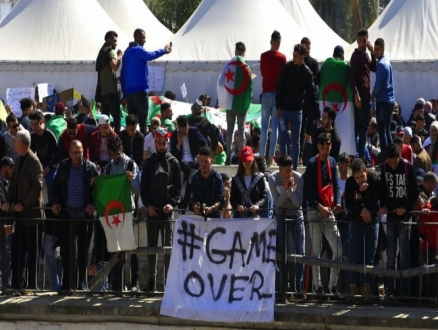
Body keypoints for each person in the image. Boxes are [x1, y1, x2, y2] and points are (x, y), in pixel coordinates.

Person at [51, 140, 98, 291]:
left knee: (83, 251)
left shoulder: (91, 168)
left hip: (84, 216)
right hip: (67, 215)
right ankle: (67, 282)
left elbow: (98, 189)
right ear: (70, 154)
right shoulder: (63, 166)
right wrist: (56, 202)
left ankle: (81, 282)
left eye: (80, 152)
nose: (78, 155)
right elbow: (55, 187)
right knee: (66, 251)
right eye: (75, 153)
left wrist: (93, 204)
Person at [1, 130, 44, 292]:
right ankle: (17, 284)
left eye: (16, 142)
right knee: (18, 251)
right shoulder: (18, 160)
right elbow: (13, 184)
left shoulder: (34, 161)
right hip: (19, 216)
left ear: (21, 144)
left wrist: (23, 204)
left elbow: (37, 186)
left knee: (32, 252)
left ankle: (31, 285)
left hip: (31, 215)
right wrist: (8, 201)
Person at [141, 127, 181, 292]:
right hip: (152, 212)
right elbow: (143, 188)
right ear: (155, 143)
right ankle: (151, 282)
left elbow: (178, 189)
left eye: (164, 142)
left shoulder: (174, 162)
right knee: (151, 249)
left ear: (168, 142)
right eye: (159, 142)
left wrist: (172, 204)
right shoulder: (149, 162)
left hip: (167, 213)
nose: (162, 145)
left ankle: (167, 283)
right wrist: (148, 205)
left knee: (167, 250)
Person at [303, 133, 343, 296]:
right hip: (314, 211)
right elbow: (307, 193)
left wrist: (338, 202)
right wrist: (319, 207)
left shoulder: (332, 162)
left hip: (329, 209)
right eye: (322, 148)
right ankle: (317, 286)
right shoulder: (311, 164)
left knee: (338, 249)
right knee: (317, 250)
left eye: (328, 147)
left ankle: (332, 285)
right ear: (318, 147)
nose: (325, 150)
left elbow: (336, 185)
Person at [379, 143, 419, 298]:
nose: (392, 165)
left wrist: (406, 208)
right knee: (390, 257)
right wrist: (383, 205)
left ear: (399, 157)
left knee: (404, 257)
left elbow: (415, 191)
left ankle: (405, 292)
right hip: (390, 216)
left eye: (394, 162)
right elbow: (382, 189)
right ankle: (389, 291)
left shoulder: (408, 167)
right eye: (389, 162)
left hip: (404, 217)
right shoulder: (384, 168)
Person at [120, 29, 172, 135]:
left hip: (129, 94)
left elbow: (123, 75)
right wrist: (165, 50)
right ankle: (142, 147)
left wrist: (124, 95)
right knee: (143, 123)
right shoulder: (138, 50)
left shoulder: (126, 54)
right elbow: (151, 55)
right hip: (140, 91)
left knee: (132, 123)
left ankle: (132, 145)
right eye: (143, 37)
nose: (145, 40)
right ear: (138, 37)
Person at [276, 44, 319, 170]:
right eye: (293, 55)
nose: (293, 58)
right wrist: (278, 106)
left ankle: (293, 168)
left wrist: (317, 113)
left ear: (302, 56)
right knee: (283, 139)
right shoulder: (286, 68)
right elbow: (279, 87)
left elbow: (313, 93)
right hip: (283, 110)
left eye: (296, 56)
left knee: (295, 142)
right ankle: (282, 166)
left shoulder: (307, 73)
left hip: (297, 112)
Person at [268, 155, 305, 296]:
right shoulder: (272, 179)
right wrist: (286, 190)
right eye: (287, 171)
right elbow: (276, 204)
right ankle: (282, 285)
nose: (290, 174)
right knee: (281, 250)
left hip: (296, 215)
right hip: (280, 216)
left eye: (291, 170)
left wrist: (288, 191)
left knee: (299, 251)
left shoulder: (299, 178)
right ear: (280, 169)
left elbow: (298, 203)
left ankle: (298, 285)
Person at [344, 159, 379, 300]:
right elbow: (349, 204)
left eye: (362, 176)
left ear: (366, 172)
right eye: (356, 177)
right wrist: (361, 209)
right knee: (353, 257)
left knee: (369, 258)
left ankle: (367, 289)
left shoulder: (375, 180)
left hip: (371, 224)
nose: (359, 180)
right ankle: (353, 289)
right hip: (355, 223)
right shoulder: (350, 183)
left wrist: (364, 196)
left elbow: (376, 203)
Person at [219, 42, 253, 165]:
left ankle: (228, 156)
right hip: (241, 105)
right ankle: (241, 157)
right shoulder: (246, 67)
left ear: (235, 51)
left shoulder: (229, 65)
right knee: (241, 130)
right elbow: (250, 88)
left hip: (230, 103)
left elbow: (221, 82)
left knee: (230, 130)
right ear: (244, 52)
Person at [260, 30, 286, 166]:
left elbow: (263, 72)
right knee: (274, 127)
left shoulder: (263, 56)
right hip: (277, 95)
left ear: (271, 42)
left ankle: (261, 156)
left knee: (264, 126)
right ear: (279, 43)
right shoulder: (282, 58)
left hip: (266, 93)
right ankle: (270, 158)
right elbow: (284, 78)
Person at [349, 28, 377, 160]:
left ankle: (357, 156)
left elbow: (374, 68)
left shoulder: (365, 55)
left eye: (364, 41)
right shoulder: (355, 56)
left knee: (362, 126)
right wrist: (356, 95)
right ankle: (358, 157)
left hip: (365, 94)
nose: (361, 43)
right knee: (361, 127)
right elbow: (352, 77)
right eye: (359, 41)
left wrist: (372, 53)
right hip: (360, 94)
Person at [170, 115, 207, 211]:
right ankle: (179, 203)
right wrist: (178, 143)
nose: (185, 132)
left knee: (191, 182)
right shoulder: (174, 134)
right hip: (181, 165)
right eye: (183, 131)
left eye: (186, 129)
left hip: (193, 164)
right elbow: (173, 154)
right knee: (178, 183)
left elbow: (204, 142)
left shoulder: (194, 131)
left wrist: (200, 154)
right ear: (178, 128)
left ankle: (183, 207)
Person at [371, 38, 395, 163]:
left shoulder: (381, 64)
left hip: (383, 100)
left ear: (383, 49)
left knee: (382, 131)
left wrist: (372, 95)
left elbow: (378, 85)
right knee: (387, 130)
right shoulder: (387, 62)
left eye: (378, 49)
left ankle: (386, 160)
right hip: (390, 100)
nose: (376, 52)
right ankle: (393, 156)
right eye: (375, 49)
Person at [95, 31, 123, 133]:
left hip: (103, 93)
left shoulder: (101, 53)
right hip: (111, 92)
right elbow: (114, 67)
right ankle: (117, 140)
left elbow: (105, 73)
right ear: (109, 40)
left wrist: (114, 79)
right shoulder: (110, 52)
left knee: (105, 120)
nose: (116, 43)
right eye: (115, 40)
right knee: (117, 119)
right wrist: (119, 55)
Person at [29, 111, 58, 203]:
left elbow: (57, 155)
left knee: (50, 182)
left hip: (52, 165)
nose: (33, 127)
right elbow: (32, 154)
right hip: (41, 165)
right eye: (32, 124)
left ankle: (52, 206)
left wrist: (48, 168)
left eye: (36, 124)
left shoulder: (49, 135)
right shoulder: (33, 137)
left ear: (41, 122)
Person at [230, 146, 266, 218]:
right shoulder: (235, 179)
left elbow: (264, 196)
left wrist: (257, 205)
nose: (247, 163)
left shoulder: (260, 178)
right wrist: (237, 205)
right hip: (239, 217)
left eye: (249, 160)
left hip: (255, 218)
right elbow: (232, 198)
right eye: (245, 160)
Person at [191, 147, 224, 219]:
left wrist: (211, 209)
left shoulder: (218, 178)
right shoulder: (194, 178)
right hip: (199, 218)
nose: (203, 164)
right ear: (198, 161)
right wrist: (195, 207)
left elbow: (220, 201)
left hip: (214, 218)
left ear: (211, 161)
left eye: (206, 161)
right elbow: (194, 198)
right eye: (201, 161)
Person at [0, 157, 14, 290]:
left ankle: (6, 286)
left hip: (8, 228)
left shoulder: (10, 183)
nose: (13, 170)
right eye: (10, 167)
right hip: (1, 228)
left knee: (7, 259)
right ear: (3, 168)